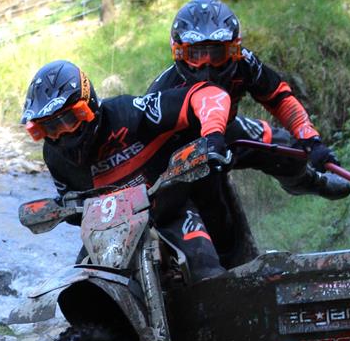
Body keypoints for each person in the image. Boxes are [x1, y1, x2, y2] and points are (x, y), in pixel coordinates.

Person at [21, 59, 234, 280]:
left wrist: (213, 135)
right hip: (110, 232)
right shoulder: (54, 156)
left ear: (88, 106)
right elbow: (75, 208)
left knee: (208, 274)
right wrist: (62, 209)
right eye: (49, 127)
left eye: (68, 120)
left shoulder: (128, 114)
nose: (61, 134)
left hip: (170, 212)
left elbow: (208, 94)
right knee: (80, 291)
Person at [146, 0, 350, 200]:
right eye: (196, 55)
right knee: (205, 200)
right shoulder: (162, 90)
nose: (207, 65)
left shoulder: (245, 63)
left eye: (216, 54)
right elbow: (142, 145)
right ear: (179, 52)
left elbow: (279, 98)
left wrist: (311, 141)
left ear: (233, 49)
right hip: (176, 152)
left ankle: (312, 181)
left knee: (284, 146)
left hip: (227, 131)